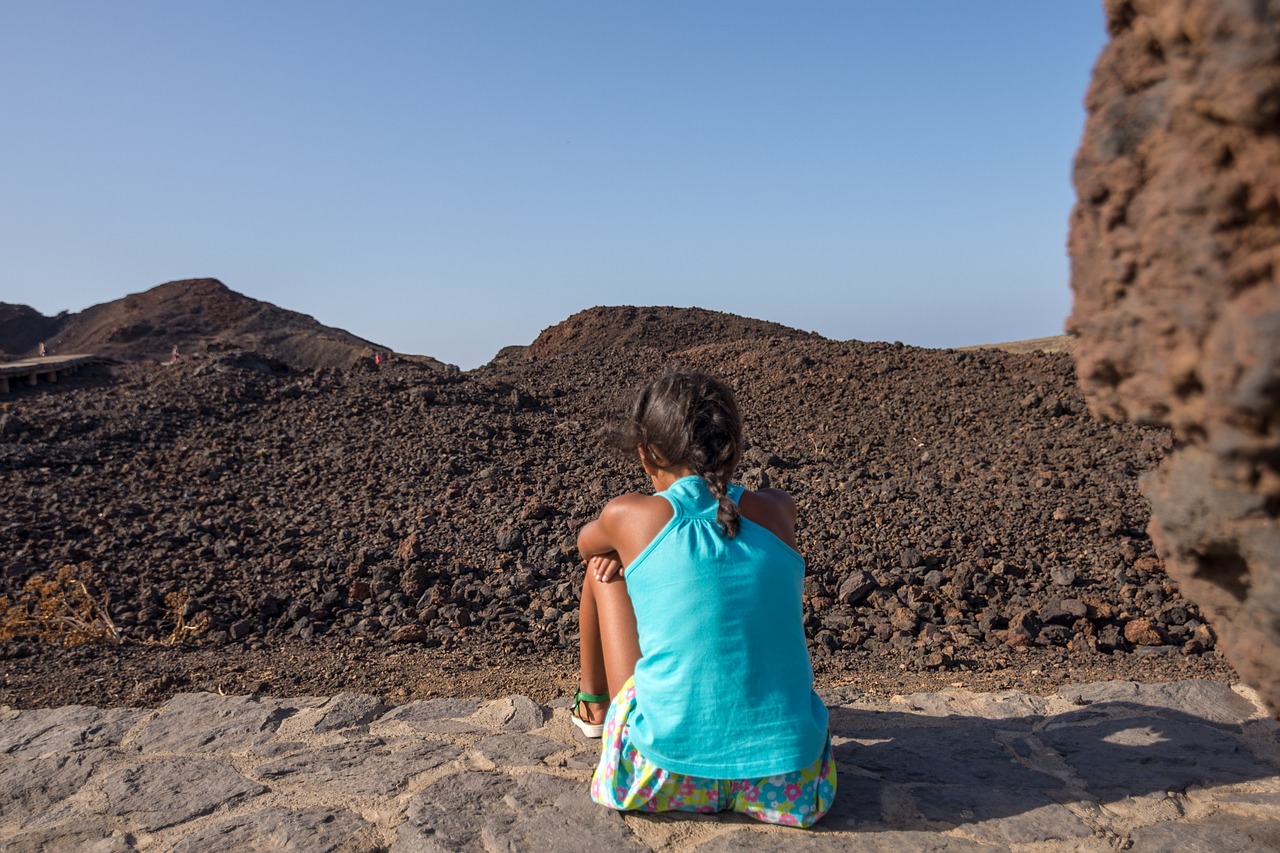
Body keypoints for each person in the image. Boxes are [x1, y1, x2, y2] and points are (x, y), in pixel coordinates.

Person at [573, 372, 836, 827]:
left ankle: (593, 706)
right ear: (733, 448)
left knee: (601, 568)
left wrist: (622, 544)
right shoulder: (778, 509)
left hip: (658, 773)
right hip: (791, 784)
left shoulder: (627, 514)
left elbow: (585, 543)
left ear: (646, 452)